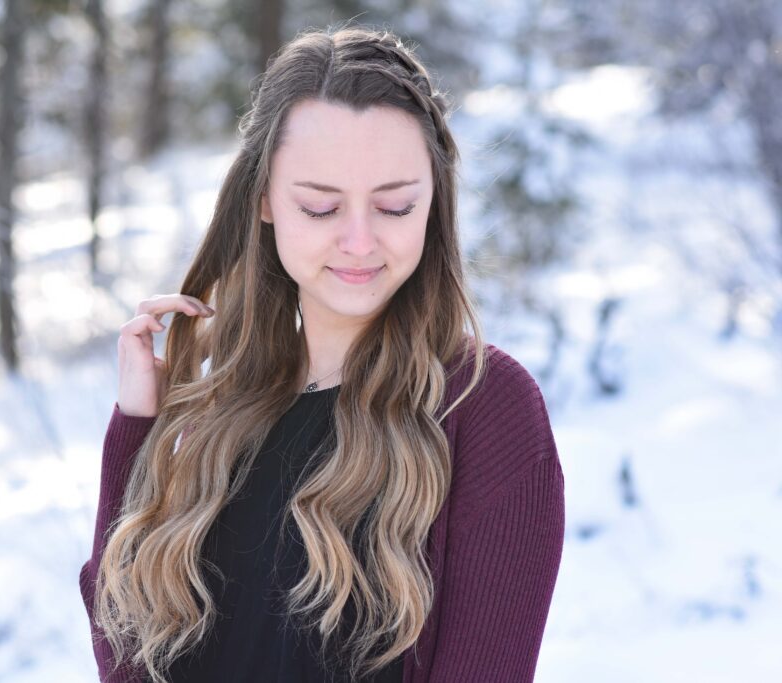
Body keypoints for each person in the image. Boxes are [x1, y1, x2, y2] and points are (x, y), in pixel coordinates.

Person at [79, 23, 565, 683]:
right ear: (266, 202)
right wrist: (139, 433)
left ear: (433, 204)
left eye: (394, 206)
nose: (360, 242)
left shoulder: (483, 409)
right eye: (320, 207)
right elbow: (129, 658)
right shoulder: (224, 413)